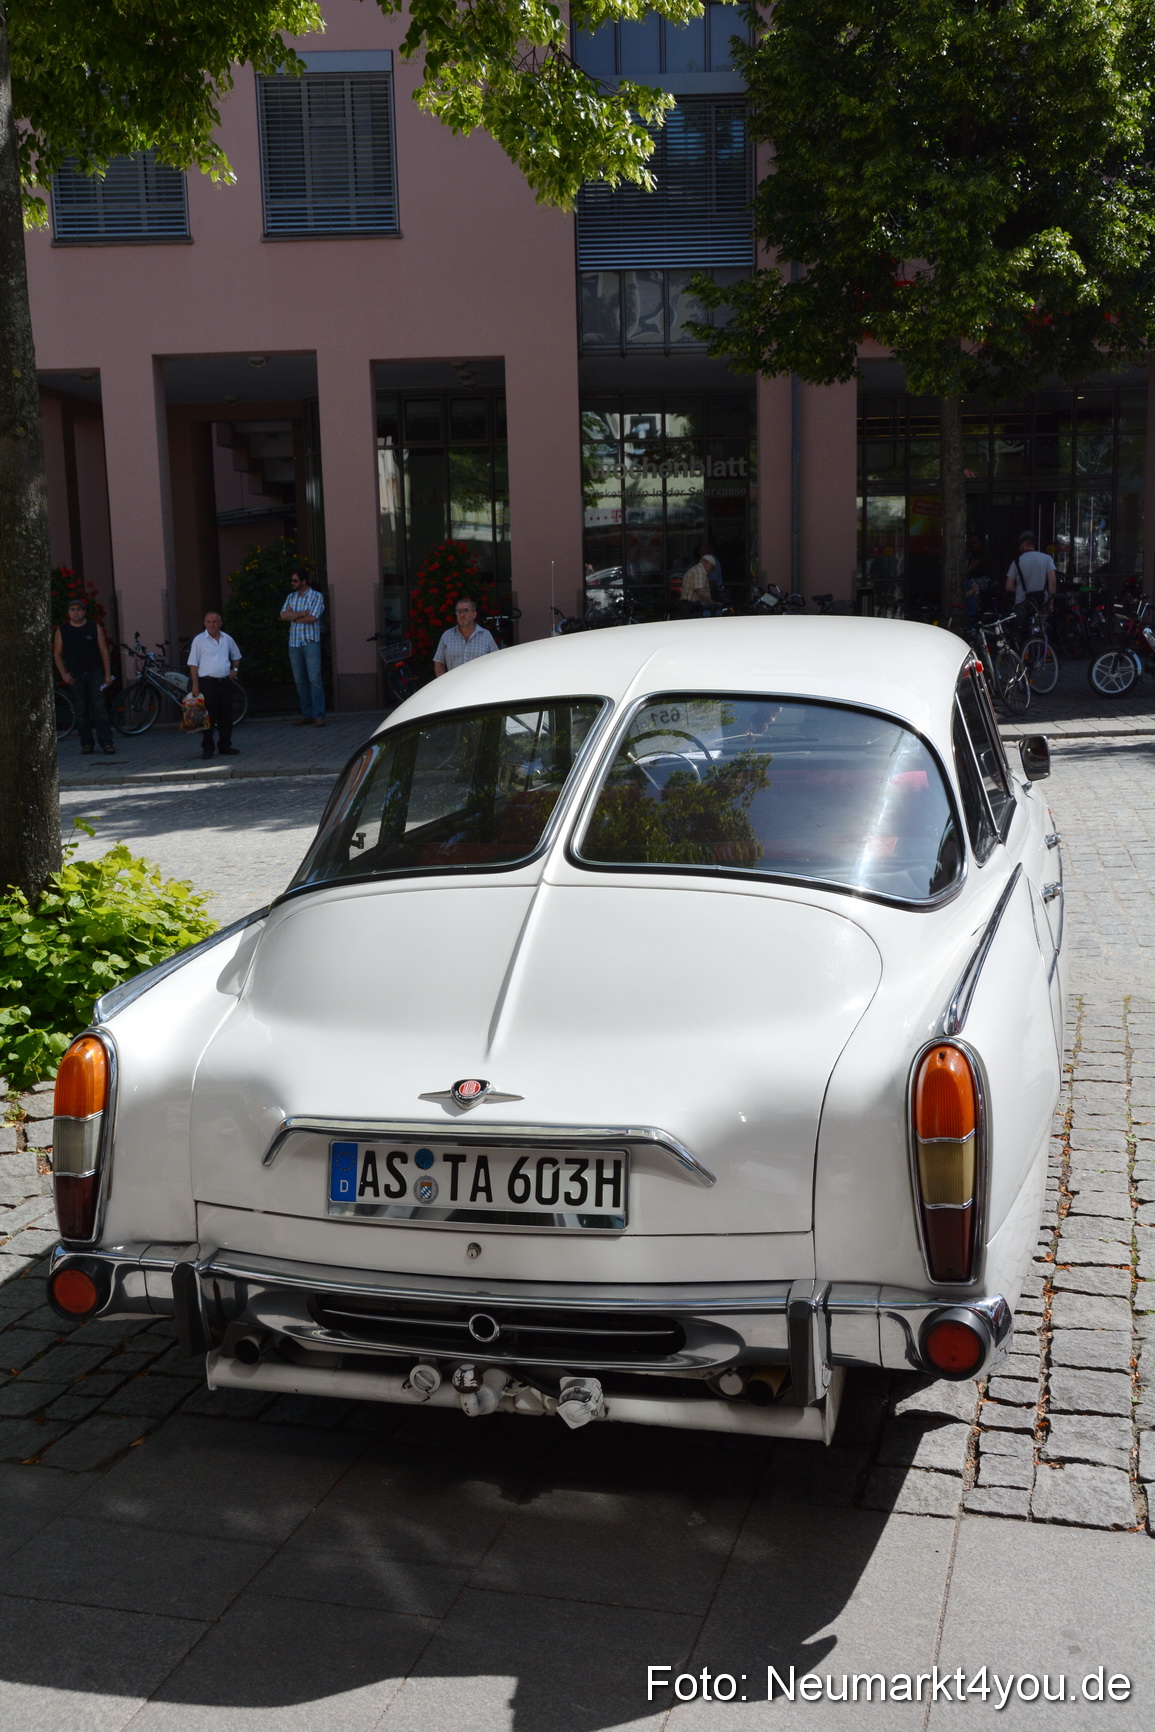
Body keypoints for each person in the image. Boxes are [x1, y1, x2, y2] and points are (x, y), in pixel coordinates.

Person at [53, 598, 115, 755]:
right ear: (68, 613)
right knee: (81, 711)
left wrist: (107, 674)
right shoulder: (63, 630)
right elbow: (57, 653)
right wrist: (63, 673)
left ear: (84, 611)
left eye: (79, 609)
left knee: (100, 709)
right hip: (75, 675)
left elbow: (104, 652)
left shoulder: (94, 627)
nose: (76, 612)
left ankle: (106, 742)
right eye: (72, 609)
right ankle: (86, 743)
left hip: (95, 673)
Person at [188, 611, 242, 759]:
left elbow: (236, 656)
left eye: (215, 621)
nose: (212, 624)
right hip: (207, 683)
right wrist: (195, 685)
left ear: (220, 623)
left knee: (226, 716)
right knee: (208, 718)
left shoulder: (227, 639)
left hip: (225, 682)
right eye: (209, 622)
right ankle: (208, 748)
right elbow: (193, 664)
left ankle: (225, 745)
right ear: (205, 624)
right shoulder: (199, 640)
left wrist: (234, 670)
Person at [279, 570, 326, 725]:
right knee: (300, 680)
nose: (292, 583)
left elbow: (313, 617)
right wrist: (301, 614)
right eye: (292, 580)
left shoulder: (316, 596)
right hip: (294, 643)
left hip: (310, 642)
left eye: (295, 580)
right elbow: (283, 616)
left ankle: (319, 715)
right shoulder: (291, 597)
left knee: (314, 679)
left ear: (304, 581)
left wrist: (294, 617)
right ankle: (306, 714)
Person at [1005, 530, 1056, 634]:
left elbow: (1008, 587)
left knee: (1022, 634)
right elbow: (1052, 583)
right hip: (1041, 603)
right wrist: (1050, 603)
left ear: (1024, 544)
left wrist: (1019, 589)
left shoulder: (1016, 562)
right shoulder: (1047, 558)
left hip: (1022, 604)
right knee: (1042, 632)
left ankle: (1025, 649)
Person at [433, 597, 500, 676]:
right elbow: (439, 662)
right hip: (454, 685)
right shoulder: (447, 636)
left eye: (466, 611)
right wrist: (443, 684)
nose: (462, 614)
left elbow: (496, 661)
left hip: (478, 685)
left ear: (474, 614)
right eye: (458, 611)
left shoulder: (485, 635)